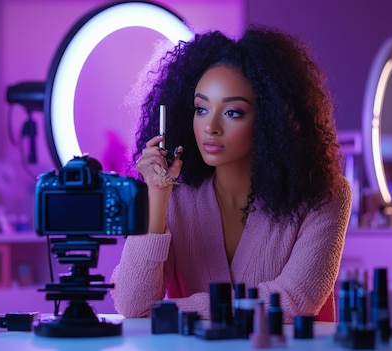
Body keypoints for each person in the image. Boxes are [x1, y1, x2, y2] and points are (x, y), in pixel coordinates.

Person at [111, 25, 351, 323]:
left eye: (232, 112)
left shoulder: (324, 193)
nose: (211, 126)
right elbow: (134, 305)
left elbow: (295, 302)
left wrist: (171, 310)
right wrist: (157, 197)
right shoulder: (174, 192)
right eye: (201, 109)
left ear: (271, 119)